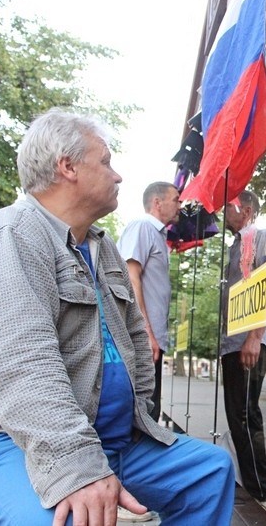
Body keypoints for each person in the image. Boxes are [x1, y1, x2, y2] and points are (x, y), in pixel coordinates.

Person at [0, 108, 235, 526]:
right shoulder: (11, 235)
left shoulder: (101, 246)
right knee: (65, 520)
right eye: (105, 162)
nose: (118, 175)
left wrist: (137, 414)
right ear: (66, 167)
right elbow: (21, 367)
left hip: (102, 439)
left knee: (210, 471)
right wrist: (79, 467)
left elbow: (136, 342)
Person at [220, 190, 266, 505]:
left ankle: (262, 490)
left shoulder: (263, 237)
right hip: (235, 342)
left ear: (245, 210)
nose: (222, 212)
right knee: (237, 413)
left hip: (249, 342)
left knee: (245, 413)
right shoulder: (237, 244)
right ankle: (254, 485)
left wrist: (255, 337)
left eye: (227, 207)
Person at [117, 181, 181, 424]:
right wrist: (145, 331)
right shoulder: (143, 227)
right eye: (175, 199)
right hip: (143, 337)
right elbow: (130, 277)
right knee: (142, 411)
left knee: (150, 409)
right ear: (157, 202)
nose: (180, 205)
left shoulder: (157, 235)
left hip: (152, 338)